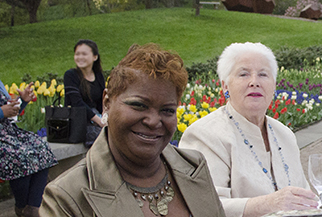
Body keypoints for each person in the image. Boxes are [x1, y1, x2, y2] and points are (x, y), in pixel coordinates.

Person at [41, 44, 226, 216]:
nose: (153, 121)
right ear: (107, 102)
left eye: (167, 110)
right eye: (138, 105)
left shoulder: (194, 166)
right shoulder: (66, 197)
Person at [180, 42, 316, 217]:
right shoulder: (204, 135)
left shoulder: (284, 134)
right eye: (243, 74)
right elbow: (203, 207)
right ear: (225, 86)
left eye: (263, 74)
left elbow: (305, 198)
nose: (254, 82)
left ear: (274, 86)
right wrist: (268, 204)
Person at [1, 80, 56, 217]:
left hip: (8, 133)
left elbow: (10, 111)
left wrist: (22, 101)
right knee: (19, 156)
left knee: (40, 147)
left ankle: (33, 208)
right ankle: (22, 207)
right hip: (3, 140)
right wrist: (1, 113)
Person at [63, 39, 106, 146]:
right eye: (77, 54)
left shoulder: (98, 75)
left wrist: (105, 118)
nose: (80, 57)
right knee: (106, 139)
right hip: (78, 122)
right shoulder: (70, 75)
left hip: (97, 119)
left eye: (84, 54)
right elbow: (77, 103)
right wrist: (99, 121)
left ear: (95, 57)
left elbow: (103, 101)